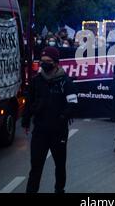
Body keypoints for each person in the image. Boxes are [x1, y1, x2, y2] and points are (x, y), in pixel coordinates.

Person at [22, 47, 78, 193]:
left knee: (59, 165)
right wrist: (26, 120)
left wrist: (63, 117)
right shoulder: (37, 81)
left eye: (49, 61)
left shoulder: (65, 82)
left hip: (58, 132)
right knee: (36, 166)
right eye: (43, 61)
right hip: (40, 131)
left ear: (56, 63)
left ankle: (59, 189)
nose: (45, 64)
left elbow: (73, 103)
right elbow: (29, 101)